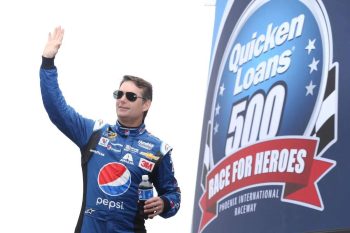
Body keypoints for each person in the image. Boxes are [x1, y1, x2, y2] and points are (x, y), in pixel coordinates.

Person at [39, 26, 181, 233]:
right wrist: (47, 63)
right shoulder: (95, 133)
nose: (122, 99)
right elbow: (57, 110)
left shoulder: (158, 149)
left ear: (146, 104)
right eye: (119, 94)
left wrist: (164, 203)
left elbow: (174, 196)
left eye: (131, 96)